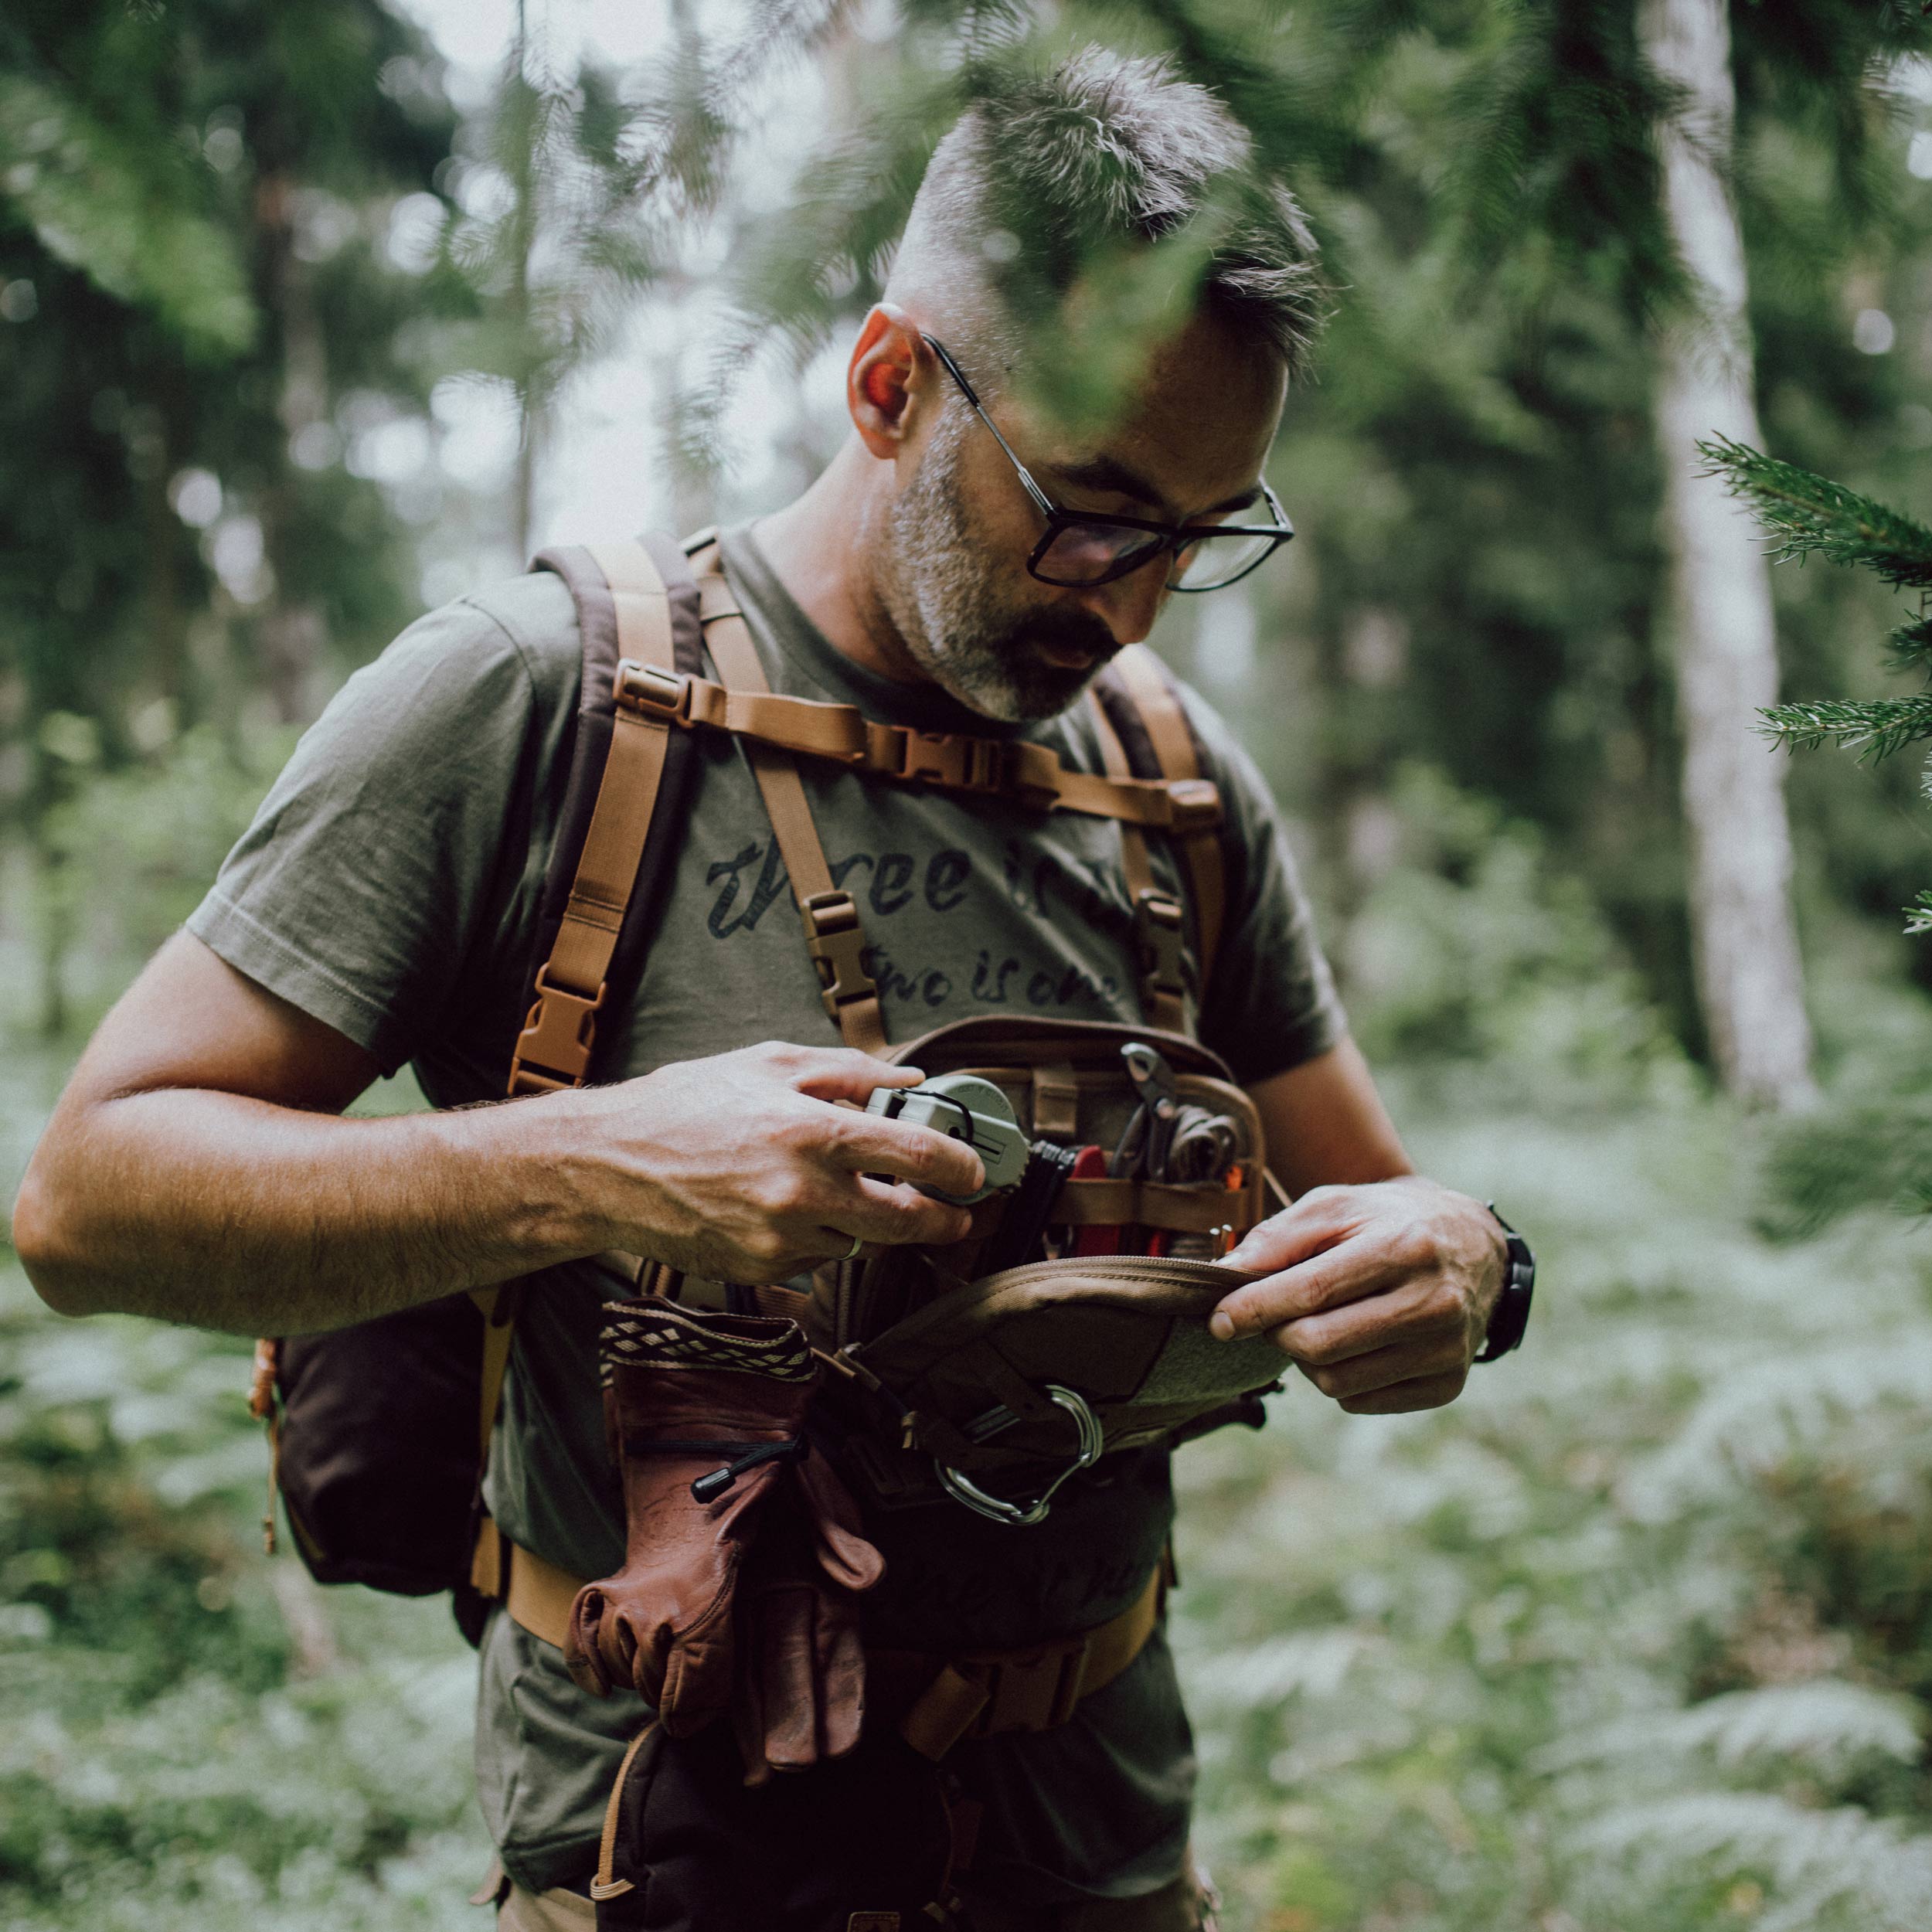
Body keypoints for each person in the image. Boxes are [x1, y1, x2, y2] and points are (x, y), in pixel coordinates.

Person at [12, 47, 1516, 1932]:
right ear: (889, 382)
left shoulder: (1175, 774)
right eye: (1094, 508)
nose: (1132, 601)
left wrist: (1465, 1257)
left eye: (1203, 535)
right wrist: (601, 1161)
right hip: (671, 1858)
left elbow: (1368, 1194)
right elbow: (87, 1197)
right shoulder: (540, 693)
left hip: (1103, 1850)